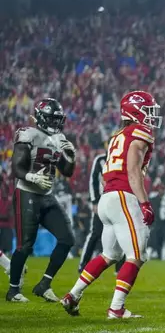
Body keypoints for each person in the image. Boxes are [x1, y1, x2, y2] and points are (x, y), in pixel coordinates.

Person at [60, 91, 160, 318]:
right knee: (137, 255)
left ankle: (73, 295)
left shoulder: (118, 134)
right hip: (124, 196)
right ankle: (116, 308)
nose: (152, 116)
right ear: (136, 111)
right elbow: (134, 172)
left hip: (108, 198)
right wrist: (144, 203)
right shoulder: (139, 132)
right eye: (149, 110)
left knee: (109, 255)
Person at [6, 98, 76, 303]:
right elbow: (16, 167)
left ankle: (44, 284)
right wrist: (31, 176)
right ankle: (13, 291)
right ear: (42, 118)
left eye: (58, 119)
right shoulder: (28, 134)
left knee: (67, 239)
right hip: (27, 192)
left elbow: (67, 172)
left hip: (47, 196)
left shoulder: (59, 138)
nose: (56, 123)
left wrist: (70, 156)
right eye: (52, 119)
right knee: (25, 246)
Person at [78, 151, 107, 272]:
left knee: (120, 233)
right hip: (102, 200)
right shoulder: (100, 160)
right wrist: (94, 201)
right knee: (95, 232)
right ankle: (83, 264)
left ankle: (119, 268)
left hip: (117, 201)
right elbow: (93, 181)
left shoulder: (124, 159)